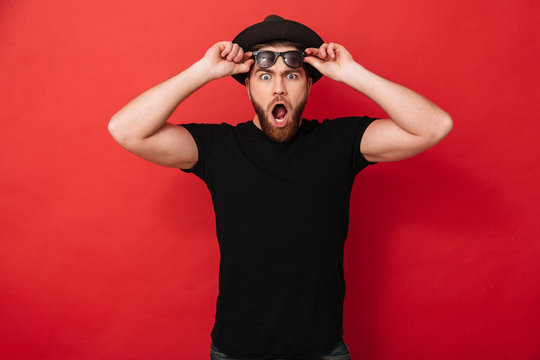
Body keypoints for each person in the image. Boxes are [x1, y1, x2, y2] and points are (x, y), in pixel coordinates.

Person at [108, 15, 452, 360]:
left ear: (309, 83)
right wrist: (203, 70)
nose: (278, 89)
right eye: (264, 76)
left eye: (291, 75)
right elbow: (126, 130)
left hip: (322, 349)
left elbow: (434, 126)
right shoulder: (218, 147)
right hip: (236, 349)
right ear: (247, 85)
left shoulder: (339, 142)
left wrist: (351, 73)